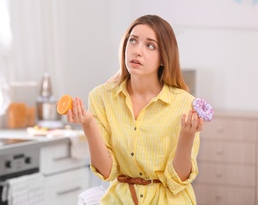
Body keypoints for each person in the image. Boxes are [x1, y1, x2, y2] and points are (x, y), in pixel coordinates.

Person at [67, 15, 204, 204]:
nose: (137, 51)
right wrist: (88, 123)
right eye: (133, 41)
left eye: (150, 45)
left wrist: (187, 136)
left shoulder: (185, 104)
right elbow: (106, 172)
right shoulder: (101, 97)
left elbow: (178, 180)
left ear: (164, 57)